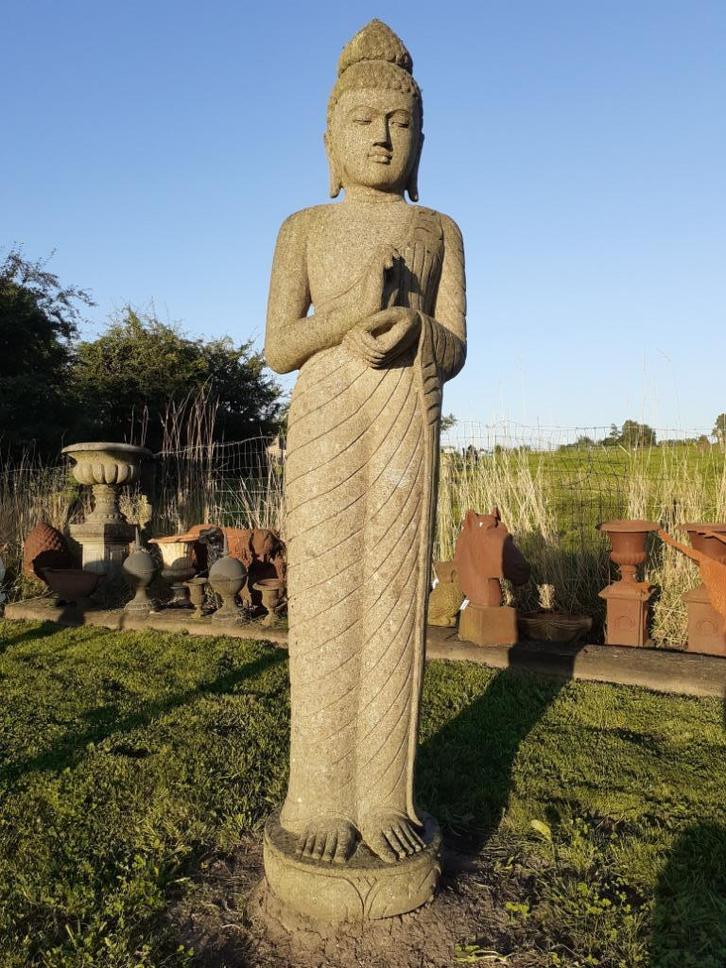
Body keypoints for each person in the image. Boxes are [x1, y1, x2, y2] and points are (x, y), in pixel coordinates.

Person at [264, 19, 467, 866]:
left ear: (421, 138)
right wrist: (349, 316)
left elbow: (455, 344)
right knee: (323, 602)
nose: (383, 135)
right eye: (364, 121)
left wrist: (415, 327)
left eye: (400, 121)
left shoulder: (441, 230)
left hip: (402, 419)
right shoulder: (304, 226)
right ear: (330, 141)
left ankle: (385, 791)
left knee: (389, 595)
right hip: (327, 418)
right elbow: (279, 346)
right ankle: (317, 792)